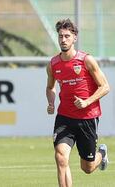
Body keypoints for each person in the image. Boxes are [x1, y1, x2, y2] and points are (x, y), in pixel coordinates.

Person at [46, 18, 110, 187]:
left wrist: (86, 102)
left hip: (87, 118)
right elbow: (50, 87)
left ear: (74, 38)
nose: (63, 40)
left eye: (67, 36)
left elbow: (105, 87)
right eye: (60, 36)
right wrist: (51, 103)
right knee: (61, 157)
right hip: (64, 117)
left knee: (87, 168)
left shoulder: (86, 60)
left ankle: (102, 154)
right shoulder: (53, 64)